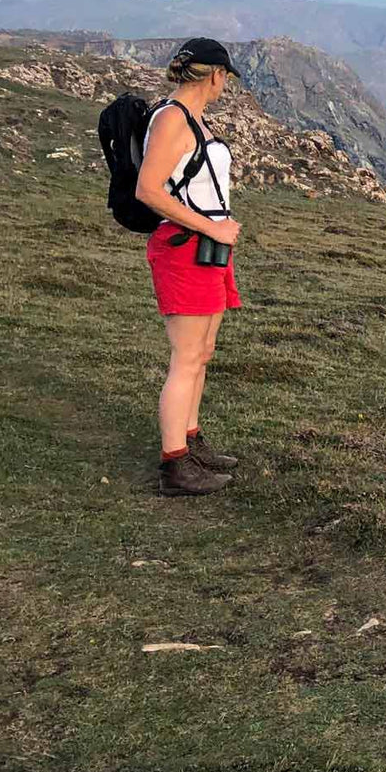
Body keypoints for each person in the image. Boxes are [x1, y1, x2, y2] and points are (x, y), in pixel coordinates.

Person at [136, 38, 243, 496]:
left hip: (207, 249)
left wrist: (217, 232)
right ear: (216, 74)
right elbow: (149, 190)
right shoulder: (171, 119)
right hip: (186, 249)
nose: (226, 86)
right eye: (226, 78)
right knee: (185, 357)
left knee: (203, 351)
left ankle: (191, 443)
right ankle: (174, 466)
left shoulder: (192, 118)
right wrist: (212, 228)